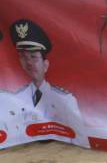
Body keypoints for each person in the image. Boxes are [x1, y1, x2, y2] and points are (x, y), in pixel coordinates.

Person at [2, 19, 88, 147]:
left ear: (45, 65)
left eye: (33, 57)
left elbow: (81, 142)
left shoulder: (65, 100)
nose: (29, 63)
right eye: (24, 57)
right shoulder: (13, 98)